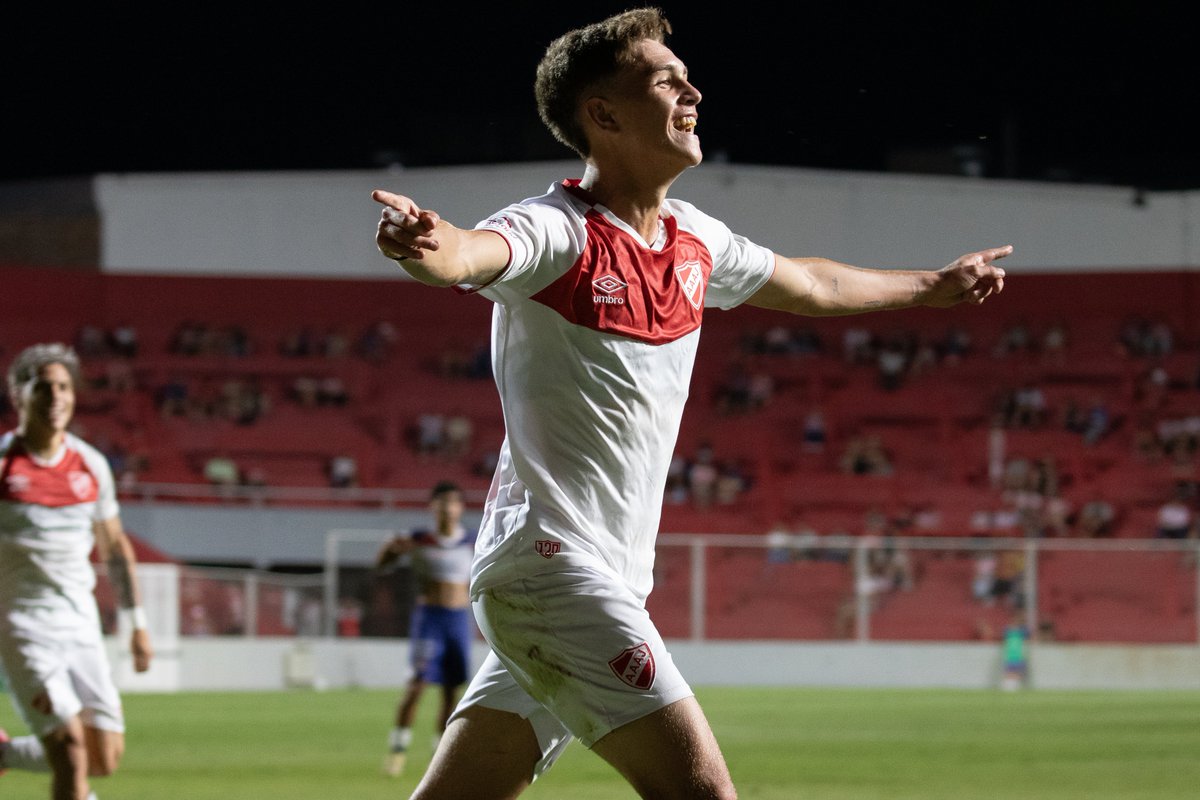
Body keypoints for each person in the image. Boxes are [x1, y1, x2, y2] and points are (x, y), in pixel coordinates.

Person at [371, 8, 1009, 798]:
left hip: (588, 576)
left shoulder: (694, 240)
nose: (693, 91)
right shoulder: (557, 231)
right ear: (602, 114)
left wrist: (934, 287)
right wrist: (431, 246)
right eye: (665, 79)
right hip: (553, 571)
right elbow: (473, 251)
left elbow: (812, 283)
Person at [0, 343, 153, 800]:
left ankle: (4, 756)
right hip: (22, 624)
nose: (57, 397)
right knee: (68, 751)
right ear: (19, 395)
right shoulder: (5, 464)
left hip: (81, 624)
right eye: (44, 387)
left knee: (103, 756)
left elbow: (115, 547)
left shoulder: (91, 464)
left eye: (64, 387)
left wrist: (137, 625)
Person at [375, 481, 476, 778]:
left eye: (453, 502)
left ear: (460, 508)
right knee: (416, 685)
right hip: (430, 619)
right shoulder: (419, 539)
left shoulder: (472, 541)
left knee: (450, 691)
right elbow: (381, 565)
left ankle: (440, 755)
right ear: (432, 507)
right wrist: (389, 551)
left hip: (458, 620)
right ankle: (397, 750)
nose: (447, 508)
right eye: (442, 502)